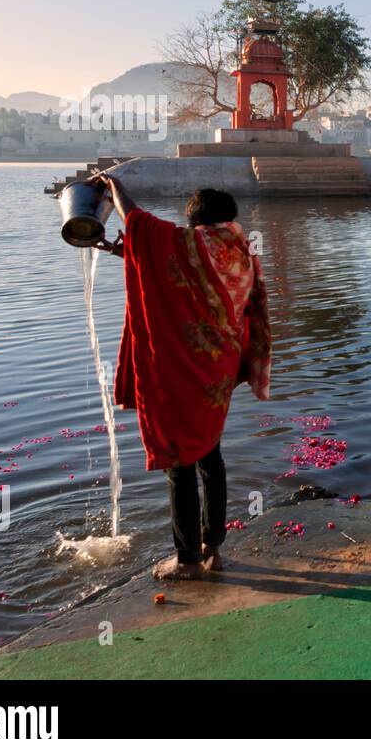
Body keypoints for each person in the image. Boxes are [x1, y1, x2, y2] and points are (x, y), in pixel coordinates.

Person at [91, 174, 271, 580]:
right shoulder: (238, 247)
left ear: (197, 222)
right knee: (210, 454)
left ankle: (187, 559)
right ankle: (214, 549)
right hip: (218, 370)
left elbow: (139, 220)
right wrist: (126, 253)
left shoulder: (199, 242)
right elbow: (183, 272)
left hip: (185, 368)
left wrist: (114, 186)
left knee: (180, 460)